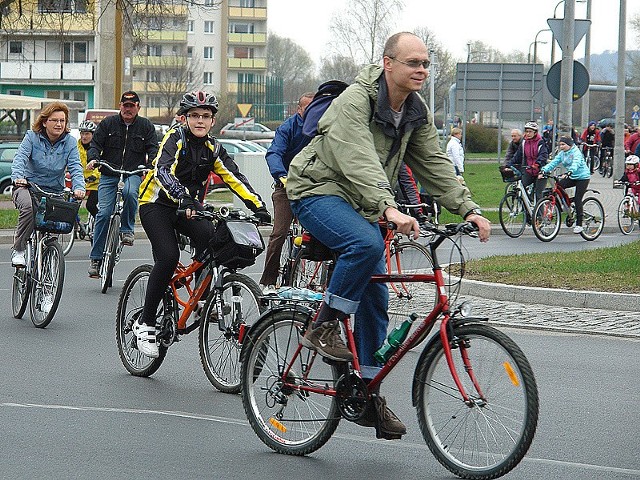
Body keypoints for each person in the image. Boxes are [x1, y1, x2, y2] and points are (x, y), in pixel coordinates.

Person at [286, 32, 490, 439]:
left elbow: (432, 161)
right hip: (316, 189)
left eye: (426, 64)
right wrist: (388, 206)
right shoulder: (356, 101)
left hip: (360, 202)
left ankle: (366, 391)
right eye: (413, 62)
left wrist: (468, 207)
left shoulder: (415, 110)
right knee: (362, 245)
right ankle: (323, 326)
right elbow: (356, 155)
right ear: (387, 63)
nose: (421, 70)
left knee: (376, 292)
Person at [133, 91, 271, 357]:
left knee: (214, 242)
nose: (200, 121)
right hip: (157, 204)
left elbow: (234, 177)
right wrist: (183, 197)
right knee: (168, 256)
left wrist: (258, 205)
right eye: (194, 116)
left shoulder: (213, 148)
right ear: (185, 118)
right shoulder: (175, 137)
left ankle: (201, 299)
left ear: (212, 121)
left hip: (190, 207)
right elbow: (163, 170)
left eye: (205, 116)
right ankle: (146, 322)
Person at [86, 91, 158, 278]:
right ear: (120, 106)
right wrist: (94, 159)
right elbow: (95, 145)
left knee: (130, 192)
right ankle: (96, 259)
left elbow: (153, 148)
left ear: (138, 108)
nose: (128, 109)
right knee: (103, 213)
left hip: (133, 173)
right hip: (109, 174)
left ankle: (127, 230)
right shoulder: (108, 124)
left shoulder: (146, 126)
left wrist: (151, 165)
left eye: (131, 106)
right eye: (125, 105)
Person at [10, 102, 85, 267]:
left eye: (62, 121)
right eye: (54, 120)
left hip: (53, 190)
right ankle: (20, 249)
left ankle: (48, 269)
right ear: (44, 122)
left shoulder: (70, 142)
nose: (59, 124)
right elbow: (20, 158)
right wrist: (17, 177)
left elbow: (75, 167)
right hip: (28, 186)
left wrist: (79, 187)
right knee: (28, 209)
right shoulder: (32, 137)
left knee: (55, 225)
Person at [258, 92, 314, 294]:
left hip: (311, 187)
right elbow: (274, 153)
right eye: (307, 108)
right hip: (286, 187)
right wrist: (281, 176)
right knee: (279, 234)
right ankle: (268, 282)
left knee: (324, 229)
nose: (312, 112)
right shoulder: (287, 128)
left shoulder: (322, 127)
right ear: (299, 110)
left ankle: (323, 278)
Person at [540, 136, 590, 234]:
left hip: (582, 177)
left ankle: (579, 224)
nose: (561, 147)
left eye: (563, 144)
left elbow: (576, 162)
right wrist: (544, 170)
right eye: (560, 145)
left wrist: (570, 171)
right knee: (558, 186)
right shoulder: (562, 154)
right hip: (572, 176)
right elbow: (554, 162)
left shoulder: (576, 152)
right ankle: (565, 206)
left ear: (570, 144)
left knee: (577, 199)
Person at [508, 121, 548, 202]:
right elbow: (518, 155)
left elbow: (543, 155)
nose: (528, 134)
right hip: (529, 170)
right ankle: (527, 211)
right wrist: (509, 164)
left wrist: (537, 164)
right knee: (521, 189)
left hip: (540, 171)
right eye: (526, 131)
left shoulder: (540, 142)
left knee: (538, 194)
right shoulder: (524, 142)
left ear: (535, 132)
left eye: (530, 132)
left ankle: (539, 214)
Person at [77, 120, 100, 218]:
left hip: (96, 183)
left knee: (90, 205)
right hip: (81, 182)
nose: (84, 136)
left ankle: (100, 224)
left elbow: (100, 165)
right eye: (82, 133)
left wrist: (94, 176)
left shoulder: (98, 148)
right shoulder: (76, 147)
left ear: (93, 135)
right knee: (71, 205)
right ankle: (77, 229)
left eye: (87, 134)